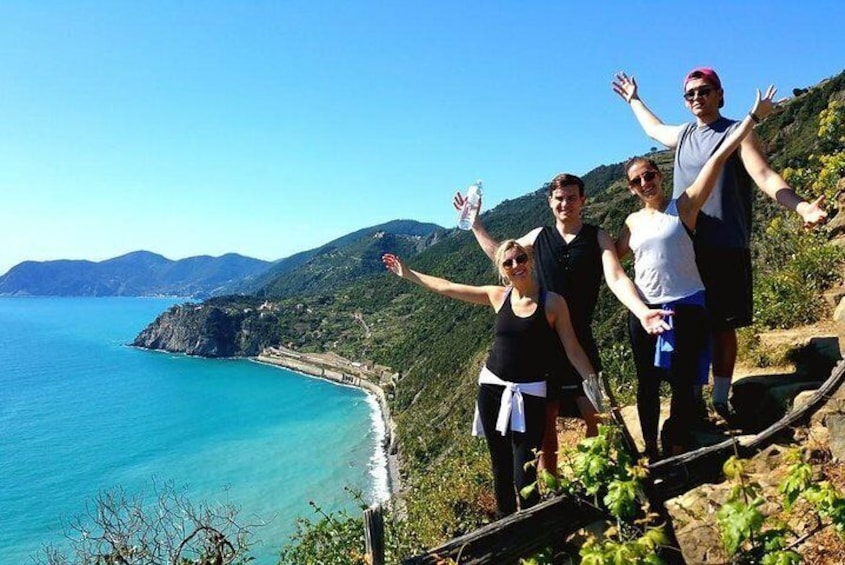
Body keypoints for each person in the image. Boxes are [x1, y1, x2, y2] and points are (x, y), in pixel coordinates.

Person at [612, 68, 827, 420]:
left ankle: (721, 397)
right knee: (692, 329)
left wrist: (800, 206)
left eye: (704, 91)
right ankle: (692, 399)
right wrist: (634, 99)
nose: (697, 98)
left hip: (726, 245)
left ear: (719, 94)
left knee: (723, 326)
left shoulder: (737, 133)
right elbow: (653, 128)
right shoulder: (682, 135)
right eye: (691, 94)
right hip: (685, 248)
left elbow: (764, 176)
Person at [454, 174, 670, 472]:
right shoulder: (538, 236)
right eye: (559, 198)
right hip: (542, 346)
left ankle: (595, 471)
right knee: (546, 427)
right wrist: (477, 225)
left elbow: (617, 277)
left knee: (596, 413)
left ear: (583, 200)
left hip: (579, 341)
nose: (565, 203)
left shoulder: (598, 237)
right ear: (550, 202)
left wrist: (642, 310)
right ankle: (554, 488)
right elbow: (502, 257)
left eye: (571, 197)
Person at [616, 85, 776, 457]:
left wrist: (751, 119)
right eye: (637, 180)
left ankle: (682, 437)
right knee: (648, 384)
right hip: (648, 311)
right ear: (631, 189)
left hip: (687, 303)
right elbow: (613, 260)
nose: (645, 182)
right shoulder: (631, 222)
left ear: (660, 174)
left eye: (650, 175)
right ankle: (653, 449)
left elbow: (718, 160)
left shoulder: (683, 206)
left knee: (686, 378)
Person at [382, 240, 597, 517]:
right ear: (502, 270)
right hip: (492, 390)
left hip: (530, 395)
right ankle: (506, 530)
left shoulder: (552, 303)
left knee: (525, 473)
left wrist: (594, 386)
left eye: (520, 258)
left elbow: (573, 349)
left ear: (529, 259)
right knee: (500, 469)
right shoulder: (499, 296)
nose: (516, 265)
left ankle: (535, 538)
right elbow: (448, 287)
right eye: (508, 262)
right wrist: (409, 274)